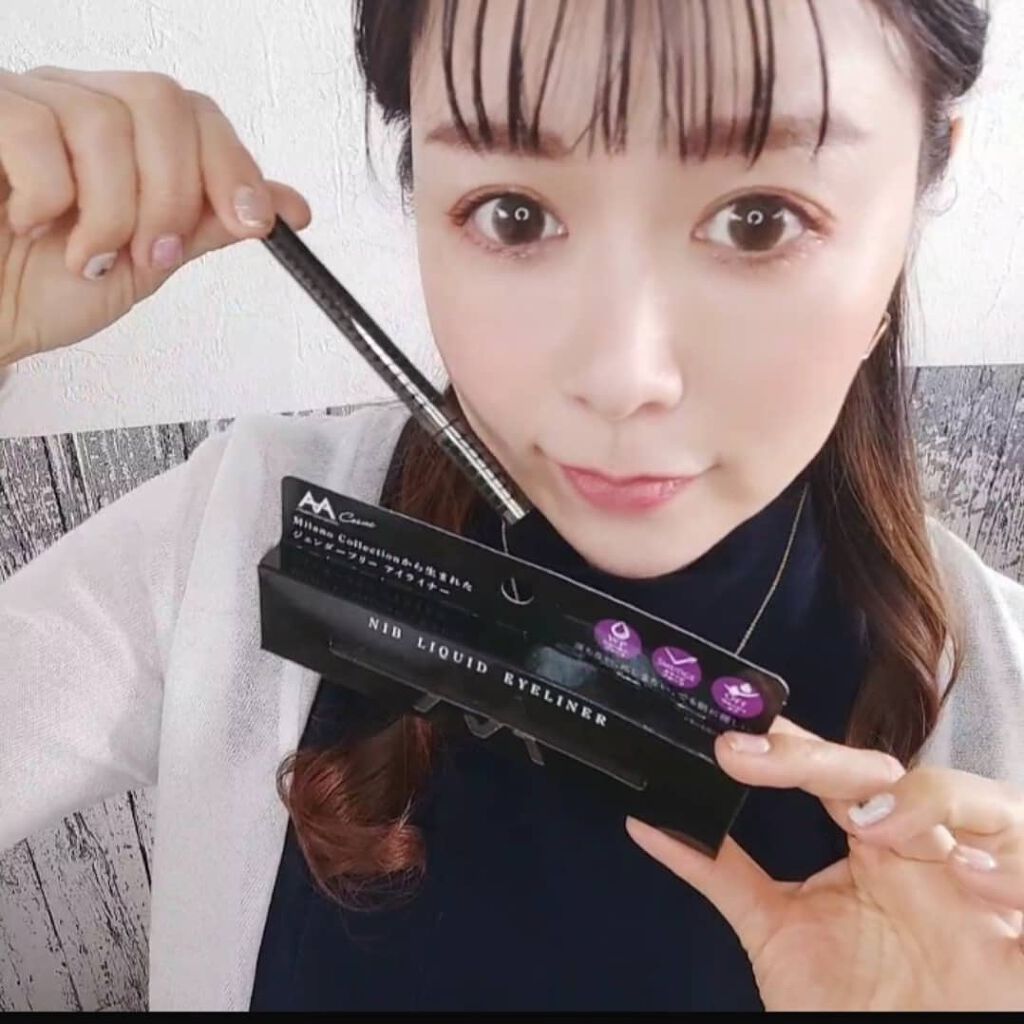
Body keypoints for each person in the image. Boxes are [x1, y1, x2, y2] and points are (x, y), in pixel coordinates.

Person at [1, 0, 1022, 1011]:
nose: (621, 378)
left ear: (919, 188)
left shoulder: (1000, 722)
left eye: (760, 220)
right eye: (513, 214)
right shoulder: (237, 540)